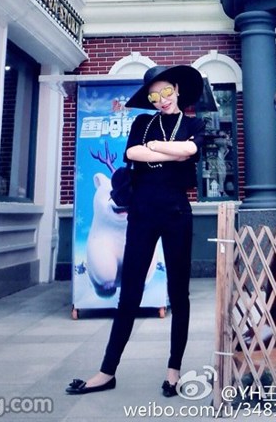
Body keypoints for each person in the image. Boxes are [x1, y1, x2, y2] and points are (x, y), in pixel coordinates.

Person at [66, 64, 205, 397]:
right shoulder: (143, 122)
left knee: (179, 294)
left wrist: (155, 149)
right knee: (128, 293)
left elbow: (191, 150)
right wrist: (169, 150)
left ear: (177, 90)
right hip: (141, 215)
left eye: (166, 92)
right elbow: (132, 153)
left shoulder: (193, 124)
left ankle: (173, 372)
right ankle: (106, 371)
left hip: (176, 214)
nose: (161, 100)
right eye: (154, 95)